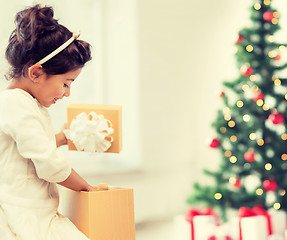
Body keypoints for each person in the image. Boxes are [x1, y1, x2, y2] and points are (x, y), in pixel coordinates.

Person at [0, 4, 108, 240]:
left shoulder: (22, 103)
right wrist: (86, 187)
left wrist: (62, 137)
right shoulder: (15, 104)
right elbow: (48, 163)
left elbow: (30, 148)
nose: (67, 93)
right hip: (25, 216)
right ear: (36, 73)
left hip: (35, 211)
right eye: (66, 83)